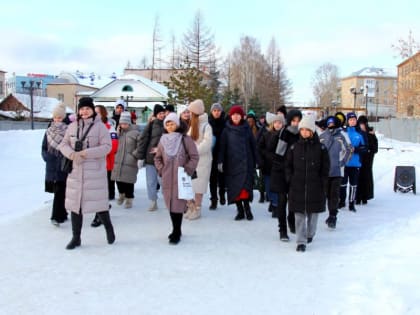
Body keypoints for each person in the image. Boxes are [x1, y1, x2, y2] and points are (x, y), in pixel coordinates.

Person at [59, 97, 114, 250]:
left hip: (94, 172)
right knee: (76, 206)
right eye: (82, 109)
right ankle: (76, 238)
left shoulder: (100, 127)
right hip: (75, 172)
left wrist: (86, 153)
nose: (84, 111)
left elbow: (107, 147)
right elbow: (63, 144)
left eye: (87, 109)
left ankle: (108, 228)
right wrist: (71, 154)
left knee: (99, 204)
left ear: (92, 110)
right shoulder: (72, 126)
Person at [286, 115, 329, 252]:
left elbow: (325, 168)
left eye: (307, 130)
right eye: (302, 129)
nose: (304, 132)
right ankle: (301, 241)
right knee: (299, 215)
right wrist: (290, 179)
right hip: (297, 186)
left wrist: (322, 182)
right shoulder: (294, 147)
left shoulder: (321, 148)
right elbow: (288, 165)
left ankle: (310, 233)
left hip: (314, 186)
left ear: (312, 131)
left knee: (313, 215)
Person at [154, 113, 199, 244]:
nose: (169, 126)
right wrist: (161, 169)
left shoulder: (185, 139)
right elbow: (157, 158)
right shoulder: (163, 140)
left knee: (178, 204)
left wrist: (187, 169)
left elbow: (194, 156)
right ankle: (175, 229)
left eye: (172, 123)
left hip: (181, 177)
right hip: (167, 177)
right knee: (170, 204)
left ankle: (176, 231)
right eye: (167, 124)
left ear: (177, 124)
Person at [218, 105, 257, 221]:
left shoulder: (247, 129)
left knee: (244, 189)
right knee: (235, 189)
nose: (235, 116)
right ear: (230, 116)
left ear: (242, 116)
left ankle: (247, 209)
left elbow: (253, 145)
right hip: (232, 164)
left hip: (246, 163)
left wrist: (257, 160)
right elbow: (222, 147)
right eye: (233, 114)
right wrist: (220, 161)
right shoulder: (226, 130)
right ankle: (240, 210)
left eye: (238, 114)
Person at [318, 116, 352, 229]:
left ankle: (333, 216)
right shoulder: (322, 136)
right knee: (327, 194)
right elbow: (317, 150)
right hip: (325, 171)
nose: (331, 125)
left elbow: (349, 149)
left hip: (337, 170)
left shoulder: (342, 135)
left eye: (333, 123)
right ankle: (331, 214)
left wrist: (342, 162)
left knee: (334, 194)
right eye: (329, 123)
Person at [90, 105, 119, 228]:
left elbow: (114, 145)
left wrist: (98, 151)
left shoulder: (109, 127)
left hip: (105, 164)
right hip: (91, 164)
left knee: (101, 191)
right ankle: (102, 208)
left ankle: (99, 215)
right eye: (94, 113)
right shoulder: (89, 127)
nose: (96, 115)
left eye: (98, 113)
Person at [185, 99, 213, 220]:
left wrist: (194, 151)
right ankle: (191, 207)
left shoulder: (206, 126)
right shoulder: (192, 125)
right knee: (188, 186)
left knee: (199, 186)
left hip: (202, 161)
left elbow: (207, 143)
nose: (189, 114)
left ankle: (197, 208)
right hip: (191, 161)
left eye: (191, 112)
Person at [41, 103, 69, 226]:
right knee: (59, 190)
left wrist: (66, 157)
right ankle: (60, 215)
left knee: (62, 190)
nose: (57, 119)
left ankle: (58, 215)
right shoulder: (48, 131)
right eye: (55, 117)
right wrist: (47, 157)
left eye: (60, 117)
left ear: (63, 117)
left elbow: (70, 146)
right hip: (52, 164)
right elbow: (44, 147)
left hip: (64, 164)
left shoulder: (68, 129)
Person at [138, 104, 166, 211]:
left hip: (163, 158)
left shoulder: (168, 124)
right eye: (159, 113)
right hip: (150, 157)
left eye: (163, 113)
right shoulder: (150, 124)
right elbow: (143, 140)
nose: (162, 115)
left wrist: (160, 149)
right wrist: (141, 157)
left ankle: (169, 199)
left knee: (164, 181)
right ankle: (153, 201)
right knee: (151, 181)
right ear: (155, 114)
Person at [111, 112, 142, 209]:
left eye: (125, 123)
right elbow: (113, 143)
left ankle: (129, 198)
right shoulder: (118, 132)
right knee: (118, 179)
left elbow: (140, 145)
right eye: (121, 123)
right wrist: (117, 133)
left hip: (130, 161)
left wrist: (134, 155)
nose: (123, 125)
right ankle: (121, 194)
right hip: (118, 159)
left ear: (129, 123)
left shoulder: (136, 133)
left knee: (128, 181)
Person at [339, 112, 366, 212]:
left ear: (356, 121)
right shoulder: (343, 132)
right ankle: (341, 202)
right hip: (344, 163)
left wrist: (356, 149)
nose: (352, 121)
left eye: (354, 120)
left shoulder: (360, 133)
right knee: (343, 184)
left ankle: (351, 203)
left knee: (353, 185)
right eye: (350, 120)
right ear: (347, 121)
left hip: (355, 163)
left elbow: (365, 148)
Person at [208, 102, 227, 210]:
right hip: (211, 153)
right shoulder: (208, 123)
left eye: (218, 110)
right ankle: (214, 200)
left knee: (222, 176)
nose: (216, 112)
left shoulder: (225, 122)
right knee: (213, 178)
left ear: (221, 111)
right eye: (214, 110)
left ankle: (222, 194)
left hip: (223, 153)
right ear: (211, 111)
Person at [356, 115, 378, 205]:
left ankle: (365, 196)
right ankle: (357, 197)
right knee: (358, 177)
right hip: (359, 158)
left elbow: (375, 147)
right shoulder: (357, 133)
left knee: (366, 177)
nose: (362, 126)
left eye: (363, 124)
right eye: (360, 124)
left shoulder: (370, 133)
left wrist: (369, 150)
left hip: (368, 159)